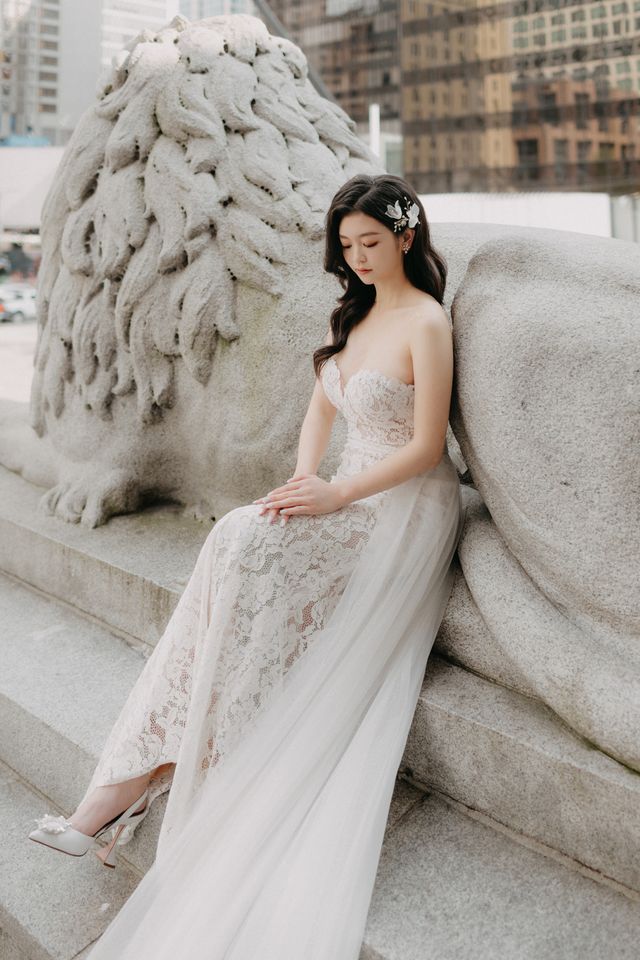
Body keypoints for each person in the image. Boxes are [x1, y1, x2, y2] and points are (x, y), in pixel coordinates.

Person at [27, 173, 465, 959]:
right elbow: (318, 414)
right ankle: (128, 782)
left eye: (371, 243)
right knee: (239, 535)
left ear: (406, 236)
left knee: (244, 543)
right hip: (340, 493)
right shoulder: (356, 318)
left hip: (400, 504)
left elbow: (428, 449)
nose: (359, 259)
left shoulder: (426, 323)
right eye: (347, 248)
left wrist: (335, 496)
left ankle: (150, 784)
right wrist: (304, 482)